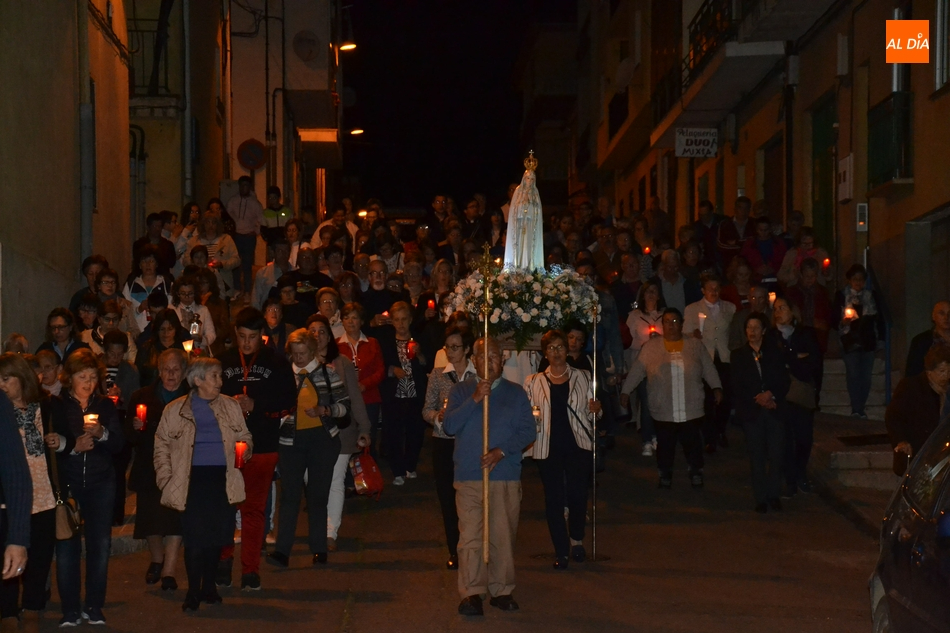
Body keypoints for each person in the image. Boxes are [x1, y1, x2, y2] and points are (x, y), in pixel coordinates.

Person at [443, 337, 536, 616]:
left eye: (495, 356)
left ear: (503, 360)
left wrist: (502, 451)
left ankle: (502, 589)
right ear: (475, 360)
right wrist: (475, 398)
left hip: (504, 475)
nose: (490, 361)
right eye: (484, 356)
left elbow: (528, 432)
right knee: (470, 536)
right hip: (470, 475)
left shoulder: (516, 393)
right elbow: (449, 426)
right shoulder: (461, 391)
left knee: (502, 535)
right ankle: (471, 592)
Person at [154, 357, 252, 612]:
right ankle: (193, 591)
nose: (220, 381)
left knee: (216, 538)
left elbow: (244, 435)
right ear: (197, 380)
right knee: (195, 540)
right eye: (215, 376)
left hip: (222, 479)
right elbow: (161, 444)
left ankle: (209, 587)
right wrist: (165, 478)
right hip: (191, 481)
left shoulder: (230, 406)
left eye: (220, 376)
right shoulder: (175, 410)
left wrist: (245, 449)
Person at [215, 308, 295, 590]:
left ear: (261, 336)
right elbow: (208, 396)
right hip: (228, 445)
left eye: (252, 337)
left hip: (262, 444)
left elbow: (289, 398)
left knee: (253, 509)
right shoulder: (224, 361)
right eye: (241, 337)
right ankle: (224, 562)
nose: (246, 343)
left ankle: (250, 569)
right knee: (226, 506)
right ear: (235, 334)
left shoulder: (277, 362)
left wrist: (256, 404)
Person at [44, 349, 124, 626]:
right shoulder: (57, 405)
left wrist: (102, 433)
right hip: (69, 483)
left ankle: (93, 606)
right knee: (67, 547)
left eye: (92, 376)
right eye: (82, 376)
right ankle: (70, 609)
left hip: (101, 483)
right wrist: (74, 447)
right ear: (70, 377)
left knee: (100, 545)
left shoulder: (104, 405)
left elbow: (118, 444)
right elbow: (51, 444)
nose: (88, 382)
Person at [268, 328, 349, 568]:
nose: (299, 358)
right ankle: (283, 551)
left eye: (303, 353)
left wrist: (325, 410)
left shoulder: (327, 374)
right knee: (290, 495)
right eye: (295, 353)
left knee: (317, 495)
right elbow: (273, 405)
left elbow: (344, 406)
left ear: (312, 351)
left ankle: (319, 548)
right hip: (290, 442)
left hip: (322, 440)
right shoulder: (284, 377)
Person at [524, 330, 601, 569]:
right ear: (545, 353)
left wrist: (596, 409)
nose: (556, 352)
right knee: (554, 499)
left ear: (567, 350)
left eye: (559, 347)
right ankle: (561, 550)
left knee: (578, 495)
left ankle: (576, 539)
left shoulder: (584, 376)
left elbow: (595, 413)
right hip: (548, 446)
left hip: (578, 444)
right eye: (551, 348)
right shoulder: (533, 381)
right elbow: (528, 414)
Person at [621, 308, 722, 488]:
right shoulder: (651, 347)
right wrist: (625, 391)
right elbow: (637, 370)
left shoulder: (695, 345)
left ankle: (696, 471)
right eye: (667, 321)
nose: (671, 325)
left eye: (675, 321)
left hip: (691, 407)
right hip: (663, 407)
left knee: (692, 443)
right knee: (665, 445)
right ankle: (665, 473)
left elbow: (708, 367)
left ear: (681, 324)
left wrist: (716, 387)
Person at [126, 349, 189, 591]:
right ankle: (157, 558)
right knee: (150, 520)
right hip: (149, 466)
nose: (170, 374)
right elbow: (129, 436)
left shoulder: (191, 397)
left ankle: (170, 570)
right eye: (166, 369)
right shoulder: (142, 396)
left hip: (179, 467)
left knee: (176, 519)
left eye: (175, 370)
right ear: (158, 371)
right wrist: (135, 427)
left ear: (184, 372)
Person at [309, 315, 372, 554]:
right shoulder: (298, 362)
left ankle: (329, 532)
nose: (317, 336)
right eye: (312, 331)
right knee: (312, 481)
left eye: (322, 331)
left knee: (335, 482)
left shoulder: (342, 362)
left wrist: (364, 429)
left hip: (341, 430)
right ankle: (318, 526)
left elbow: (355, 398)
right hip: (310, 431)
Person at [0, 355, 54, 630]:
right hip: (11, 496)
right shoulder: (2, 410)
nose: (2, 385)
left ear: (22, 379)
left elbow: (66, 438)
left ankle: (33, 605)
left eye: (6, 378)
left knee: (39, 557)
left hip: (43, 492)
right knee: (8, 555)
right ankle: (7, 610)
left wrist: (62, 442)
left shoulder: (44, 407)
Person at [421, 325, 475, 571]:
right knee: (448, 498)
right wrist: (437, 417)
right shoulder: (438, 375)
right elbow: (425, 409)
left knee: (471, 497)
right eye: (447, 348)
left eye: (455, 347)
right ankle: (455, 549)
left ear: (467, 349)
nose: (451, 352)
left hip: (470, 442)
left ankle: (472, 547)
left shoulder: (477, 376)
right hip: (444, 441)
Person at [731, 312, 790, 513]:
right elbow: (738, 385)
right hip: (753, 411)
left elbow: (783, 379)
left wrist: (771, 395)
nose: (752, 332)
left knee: (776, 455)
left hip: (774, 409)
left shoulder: (774, 352)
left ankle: (774, 494)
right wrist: (759, 398)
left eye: (756, 328)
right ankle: (760, 498)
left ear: (764, 330)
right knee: (756, 456)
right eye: (749, 328)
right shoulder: (738, 355)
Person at [772, 298, 822, 496]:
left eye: (782, 308)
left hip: (802, 395)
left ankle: (800, 472)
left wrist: (789, 359)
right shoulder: (772, 337)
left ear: (793, 311)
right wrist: (796, 358)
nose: (778, 312)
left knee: (804, 438)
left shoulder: (806, 334)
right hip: (781, 395)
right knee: (785, 439)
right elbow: (774, 365)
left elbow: (813, 364)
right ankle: (790, 480)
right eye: (775, 309)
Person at [684, 274, 736, 453]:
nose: (713, 291)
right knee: (706, 398)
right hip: (704, 358)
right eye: (710, 288)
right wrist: (693, 334)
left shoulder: (730, 308)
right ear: (703, 290)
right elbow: (685, 333)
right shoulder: (692, 309)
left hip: (724, 358)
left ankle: (721, 430)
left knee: (726, 396)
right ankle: (709, 436)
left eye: (716, 288)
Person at [379, 302, 428, 485]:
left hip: (415, 394)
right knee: (394, 434)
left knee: (415, 432)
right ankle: (397, 470)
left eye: (404, 319)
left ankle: (410, 466)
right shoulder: (386, 342)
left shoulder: (419, 339)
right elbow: (379, 366)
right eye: (397, 320)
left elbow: (427, 364)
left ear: (410, 320)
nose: (400, 324)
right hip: (394, 395)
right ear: (392, 321)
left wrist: (420, 354)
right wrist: (393, 370)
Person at [886, 346, 950, 465]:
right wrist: (901, 440)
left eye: (949, 371)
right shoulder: (911, 387)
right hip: (919, 452)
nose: (946, 376)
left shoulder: (948, 391)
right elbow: (893, 417)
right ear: (930, 372)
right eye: (942, 371)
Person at [337, 303, 385, 458]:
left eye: (354, 318)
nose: (350, 322)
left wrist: (365, 385)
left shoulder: (372, 343)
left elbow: (380, 371)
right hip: (347, 400)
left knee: (368, 438)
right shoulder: (336, 345)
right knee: (348, 439)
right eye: (346, 318)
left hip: (369, 398)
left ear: (361, 321)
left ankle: (368, 474)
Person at [834, 264, 882, 418]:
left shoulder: (871, 296)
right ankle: (856, 408)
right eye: (855, 279)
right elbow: (834, 318)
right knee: (854, 374)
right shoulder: (841, 296)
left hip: (867, 340)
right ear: (849, 280)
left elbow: (878, 319)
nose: (858, 282)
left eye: (861, 279)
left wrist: (880, 340)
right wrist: (843, 322)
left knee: (866, 376)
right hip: (850, 340)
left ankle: (861, 407)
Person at [624, 280, 665, 455]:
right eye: (648, 291)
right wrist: (645, 342)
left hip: (661, 365)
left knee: (659, 401)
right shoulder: (634, 316)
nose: (651, 295)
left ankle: (657, 434)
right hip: (641, 363)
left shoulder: (665, 315)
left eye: (654, 291)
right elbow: (627, 340)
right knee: (646, 401)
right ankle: (647, 439)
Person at [182, 211, 240, 301]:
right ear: (203, 225)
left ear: (218, 225)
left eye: (214, 222)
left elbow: (236, 260)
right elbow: (186, 260)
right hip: (198, 282)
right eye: (207, 222)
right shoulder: (194, 241)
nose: (211, 225)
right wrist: (199, 264)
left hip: (222, 281)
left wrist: (222, 264)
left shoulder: (226, 239)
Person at [226, 176, 264, 301]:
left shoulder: (255, 203)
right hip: (236, 236)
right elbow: (228, 217)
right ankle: (237, 289)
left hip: (249, 237)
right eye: (242, 185)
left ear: (250, 187)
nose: (244, 188)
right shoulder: (233, 201)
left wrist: (255, 232)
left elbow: (260, 220)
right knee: (235, 264)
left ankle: (247, 291)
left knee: (247, 265)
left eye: (246, 185)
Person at [785, 258, 833, 354]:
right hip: (797, 338)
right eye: (807, 276)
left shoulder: (823, 293)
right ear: (801, 275)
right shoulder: (791, 293)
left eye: (813, 276)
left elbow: (829, 315)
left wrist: (825, 324)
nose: (810, 279)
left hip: (818, 338)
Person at [123, 244, 173, 333]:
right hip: (138, 331)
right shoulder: (131, 285)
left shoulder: (166, 284)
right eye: (144, 261)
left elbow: (172, 309)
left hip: (162, 331)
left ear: (157, 264)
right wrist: (139, 309)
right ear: (139, 265)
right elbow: (125, 313)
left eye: (151, 261)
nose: (148, 264)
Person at [136, 309, 189, 388]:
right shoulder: (147, 348)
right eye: (162, 329)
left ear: (176, 329)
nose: (166, 333)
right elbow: (138, 375)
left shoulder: (185, 347)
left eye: (170, 329)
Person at [170, 275, 216, 353]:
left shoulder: (203, 310)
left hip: (198, 350)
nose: (187, 296)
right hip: (178, 350)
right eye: (183, 293)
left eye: (190, 293)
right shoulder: (171, 310)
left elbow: (211, 334)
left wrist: (201, 339)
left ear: (195, 293)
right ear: (177, 294)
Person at [905, 301, 950, 379]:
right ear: (933, 316)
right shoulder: (921, 341)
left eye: (949, 314)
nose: (946, 318)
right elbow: (913, 372)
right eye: (941, 313)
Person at [739, 216, 787, 285]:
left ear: (770, 229)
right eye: (761, 230)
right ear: (756, 229)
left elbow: (784, 260)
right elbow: (743, 261)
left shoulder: (779, 243)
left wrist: (774, 268)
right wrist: (755, 269)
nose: (763, 233)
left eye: (766, 230)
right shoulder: (749, 243)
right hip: (754, 279)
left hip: (775, 279)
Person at [652, 250, 701, 314]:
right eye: (669, 267)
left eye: (675, 267)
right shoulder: (655, 283)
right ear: (663, 265)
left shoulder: (687, 283)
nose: (672, 270)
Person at [252, 237, 293, 310]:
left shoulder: (295, 272)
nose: (283, 254)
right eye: (280, 251)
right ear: (273, 253)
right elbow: (255, 300)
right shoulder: (263, 273)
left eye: (286, 251)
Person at [729, 285, 772, 351]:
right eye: (753, 298)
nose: (757, 302)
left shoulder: (773, 316)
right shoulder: (739, 317)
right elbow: (734, 342)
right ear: (748, 298)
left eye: (760, 298)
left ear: (767, 298)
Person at [692, 200, 723, 269]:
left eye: (706, 215)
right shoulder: (696, 227)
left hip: (722, 260)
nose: (703, 218)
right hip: (704, 263)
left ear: (711, 212)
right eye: (701, 215)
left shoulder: (722, 223)